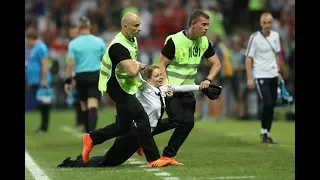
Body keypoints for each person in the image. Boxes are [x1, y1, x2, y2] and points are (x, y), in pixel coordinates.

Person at [57, 65, 221, 168]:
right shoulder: (143, 88)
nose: (161, 77)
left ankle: (142, 145)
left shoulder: (163, 89)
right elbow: (136, 76)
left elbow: (182, 88)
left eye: (161, 75)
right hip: (133, 132)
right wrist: (135, 66)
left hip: (145, 132)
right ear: (149, 79)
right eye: (156, 76)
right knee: (109, 162)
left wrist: (201, 87)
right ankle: (78, 163)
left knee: (175, 120)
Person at [82, 12, 169, 168]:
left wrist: (136, 64)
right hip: (116, 86)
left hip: (125, 85)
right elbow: (131, 71)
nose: (140, 28)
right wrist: (137, 65)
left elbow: (131, 64)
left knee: (124, 126)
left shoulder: (132, 39)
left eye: (140, 25)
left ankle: (92, 138)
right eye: (136, 25)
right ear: (125, 26)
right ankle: (153, 158)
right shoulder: (118, 46)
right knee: (142, 118)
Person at [155, 10, 221, 164]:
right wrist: (165, 86)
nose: (206, 28)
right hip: (171, 88)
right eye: (203, 25)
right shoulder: (175, 40)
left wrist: (208, 79)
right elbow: (161, 63)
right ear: (193, 24)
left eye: (208, 25)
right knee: (176, 120)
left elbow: (217, 64)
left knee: (188, 123)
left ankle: (167, 155)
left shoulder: (204, 42)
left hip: (188, 89)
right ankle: (144, 134)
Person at [245, 12, 283, 144]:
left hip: (273, 74)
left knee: (272, 105)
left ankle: (267, 132)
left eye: (269, 22)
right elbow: (248, 58)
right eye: (264, 23)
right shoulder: (254, 38)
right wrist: (250, 78)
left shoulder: (276, 36)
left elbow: (276, 55)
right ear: (261, 24)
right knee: (267, 103)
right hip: (261, 75)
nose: (267, 25)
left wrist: (278, 71)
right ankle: (263, 130)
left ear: (272, 23)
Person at [64, 17, 106, 133]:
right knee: (93, 104)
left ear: (79, 28)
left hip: (81, 76)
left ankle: (88, 133)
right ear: (89, 27)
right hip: (96, 75)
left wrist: (68, 81)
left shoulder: (73, 44)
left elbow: (70, 64)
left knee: (84, 106)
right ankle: (92, 133)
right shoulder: (99, 41)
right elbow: (105, 61)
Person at [25, 28, 52, 133]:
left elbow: (44, 64)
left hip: (41, 81)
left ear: (32, 39)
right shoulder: (35, 48)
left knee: (44, 104)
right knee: (40, 104)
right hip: (35, 81)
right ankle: (42, 126)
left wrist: (43, 79)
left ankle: (44, 127)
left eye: (27, 40)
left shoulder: (41, 47)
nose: (27, 43)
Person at [66, 24, 83, 128]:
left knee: (82, 98)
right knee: (77, 98)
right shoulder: (72, 44)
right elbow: (69, 61)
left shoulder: (78, 45)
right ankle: (79, 119)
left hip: (80, 73)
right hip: (74, 73)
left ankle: (83, 120)